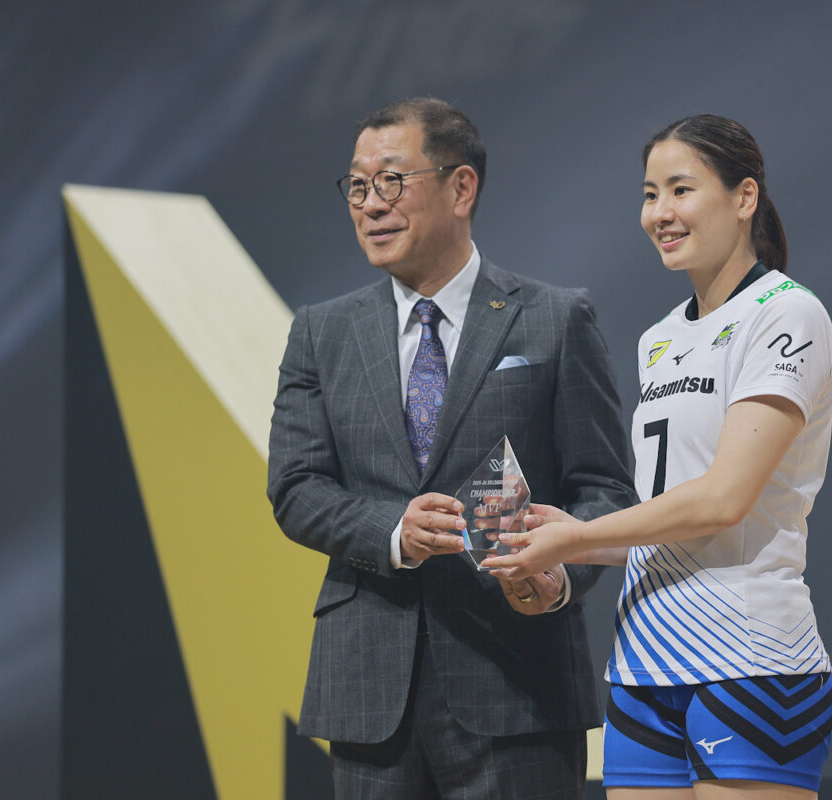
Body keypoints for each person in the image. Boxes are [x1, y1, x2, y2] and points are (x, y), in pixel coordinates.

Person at [266, 97, 636, 799]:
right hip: (370, 693)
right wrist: (394, 530)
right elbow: (296, 487)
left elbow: (604, 492)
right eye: (356, 186)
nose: (371, 205)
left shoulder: (554, 319)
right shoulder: (322, 332)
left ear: (461, 187)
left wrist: (557, 575)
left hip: (519, 683)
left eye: (391, 180)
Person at [485, 114, 832, 799]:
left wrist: (579, 536)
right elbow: (665, 525)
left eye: (681, 190)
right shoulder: (659, 339)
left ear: (744, 197)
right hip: (643, 667)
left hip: (750, 658)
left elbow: (722, 502)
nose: (660, 213)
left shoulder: (786, 314)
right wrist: (562, 538)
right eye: (650, 195)